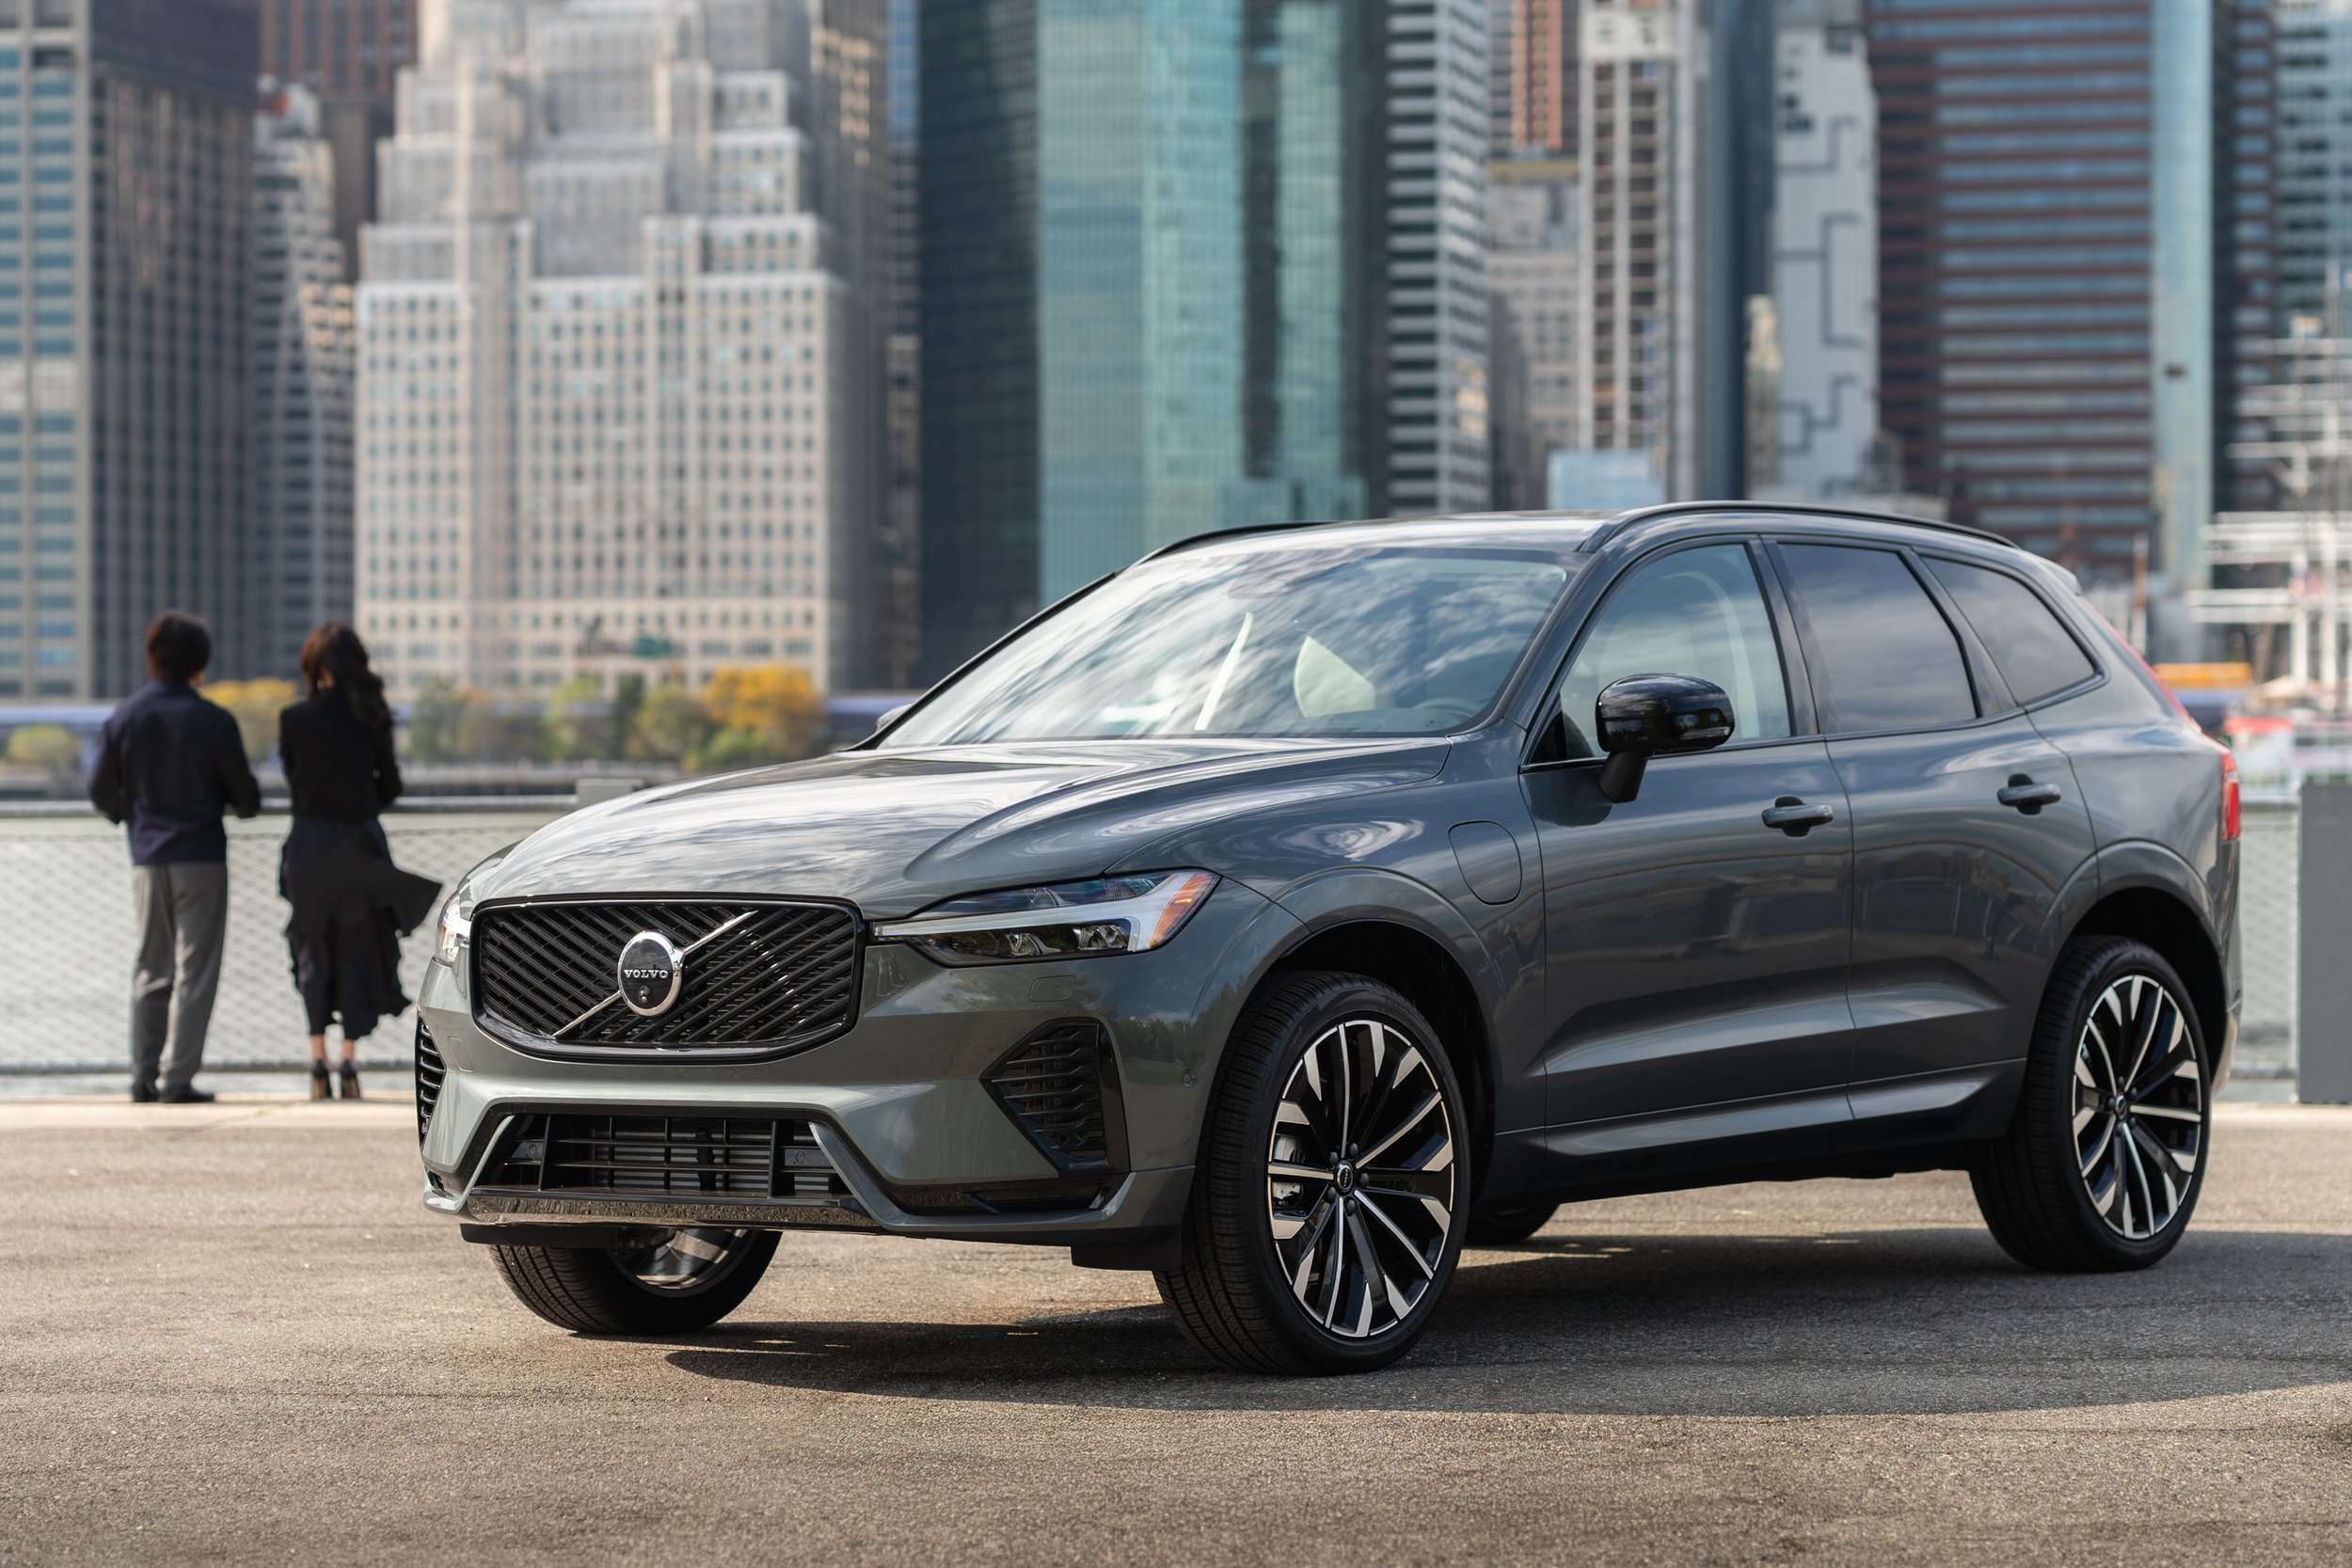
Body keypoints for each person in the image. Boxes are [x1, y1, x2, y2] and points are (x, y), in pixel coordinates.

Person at [87, 611, 262, 1104]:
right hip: (201, 856)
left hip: (146, 857)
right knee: (196, 969)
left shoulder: (124, 717)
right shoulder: (213, 720)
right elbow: (246, 800)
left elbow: (100, 793)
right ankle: (178, 1079)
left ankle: (141, 1076)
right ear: (199, 664)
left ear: (152, 658)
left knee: (151, 965)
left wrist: (134, 816)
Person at [278, 624, 440, 1101]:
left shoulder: (294, 719)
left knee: (312, 950)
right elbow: (389, 787)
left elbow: (295, 783)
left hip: (308, 848)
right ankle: (349, 1057)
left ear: (318, 668)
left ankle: (315, 1058)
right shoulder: (372, 716)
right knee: (356, 950)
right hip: (358, 845)